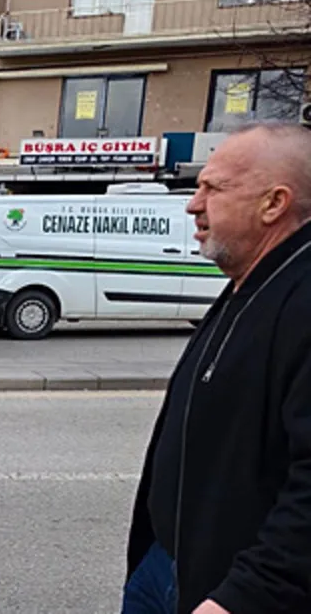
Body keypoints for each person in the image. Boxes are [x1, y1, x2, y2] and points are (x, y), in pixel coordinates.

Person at [122, 122, 311, 614]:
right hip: (167, 566)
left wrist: (244, 596)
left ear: (274, 203)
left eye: (213, 188)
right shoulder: (251, 281)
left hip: (230, 590)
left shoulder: (302, 296)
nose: (192, 204)